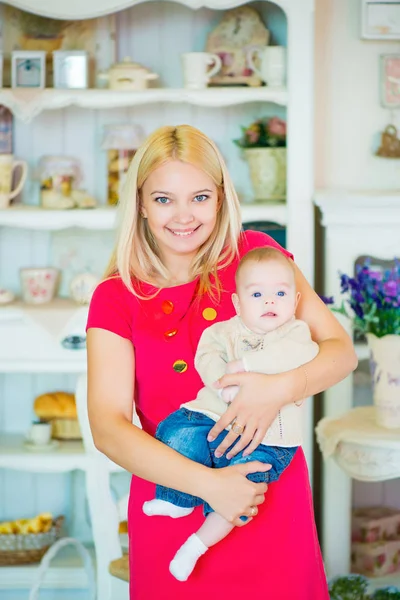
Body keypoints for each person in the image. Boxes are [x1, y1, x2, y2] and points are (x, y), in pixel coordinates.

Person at [86, 124, 357, 600]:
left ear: (221, 198)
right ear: (140, 204)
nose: (184, 216)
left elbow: (340, 352)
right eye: (164, 199)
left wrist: (278, 388)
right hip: (175, 503)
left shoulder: (255, 256)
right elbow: (109, 427)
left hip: (268, 499)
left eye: (200, 197)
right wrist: (209, 485)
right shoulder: (116, 296)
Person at [143, 246, 319, 582]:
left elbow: (305, 353)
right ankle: (177, 498)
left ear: (294, 301)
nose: (270, 302)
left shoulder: (295, 334)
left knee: (241, 487)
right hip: (213, 417)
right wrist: (223, 383)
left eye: (280, 293)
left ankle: (196, 545)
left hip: (268, 439)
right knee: (177, 430)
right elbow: (205, 357)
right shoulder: (222, 332)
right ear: (238, 303)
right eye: (258, 294)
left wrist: (248, 365)